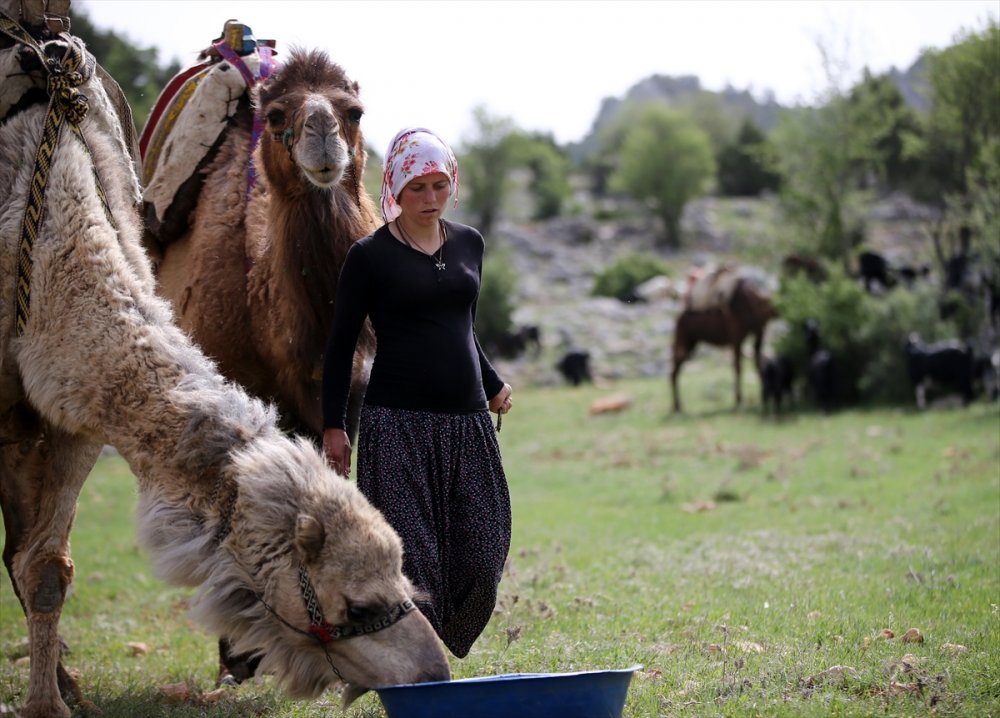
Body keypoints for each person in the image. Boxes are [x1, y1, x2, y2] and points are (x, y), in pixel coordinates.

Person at [322, 127, 513, 658]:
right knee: (415, 562)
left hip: (468, 426)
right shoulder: (370, 256)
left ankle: (433, 652)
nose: (430, 200)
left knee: (484, 551)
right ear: (395, 190)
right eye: (417, 189)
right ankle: (421, 679)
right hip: (397, 426)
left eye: (439, 185)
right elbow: (340, 346)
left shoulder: (470, 242)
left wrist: (493, 385)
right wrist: (335, 426)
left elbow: (462, 327)